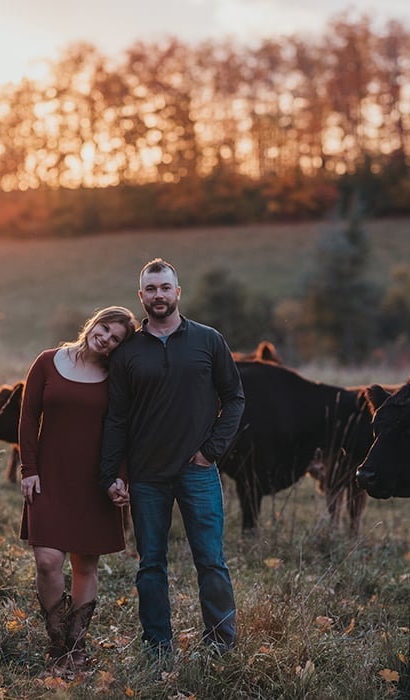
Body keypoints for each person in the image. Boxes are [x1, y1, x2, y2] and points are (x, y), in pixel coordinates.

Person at [99, 258, 245, 658]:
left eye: (165, 288)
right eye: (151, 289)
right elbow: (116, 417)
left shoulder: (208, 340)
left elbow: (234, 398)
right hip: (147, 475)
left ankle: (220, 644)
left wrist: (210, 452)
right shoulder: (127, 352)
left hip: (197, 471)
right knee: (151, 565)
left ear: (178, 293)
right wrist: (111, 473)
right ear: (140, 296)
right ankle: (157, 646)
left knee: (211, 560)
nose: (158, 295)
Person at [18, 305, 138, 673]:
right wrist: (29, 469)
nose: (105, 339)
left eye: (115, 339)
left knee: (85, 565)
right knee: (47, 561)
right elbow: (27, 417)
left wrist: (119, 477)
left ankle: (76, 647)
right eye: (104, 329)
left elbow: (122, 430)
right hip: (50, 476)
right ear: (93, 323)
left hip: (94, 481)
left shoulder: (115, 377)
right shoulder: (48, 361)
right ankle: (56, 643)